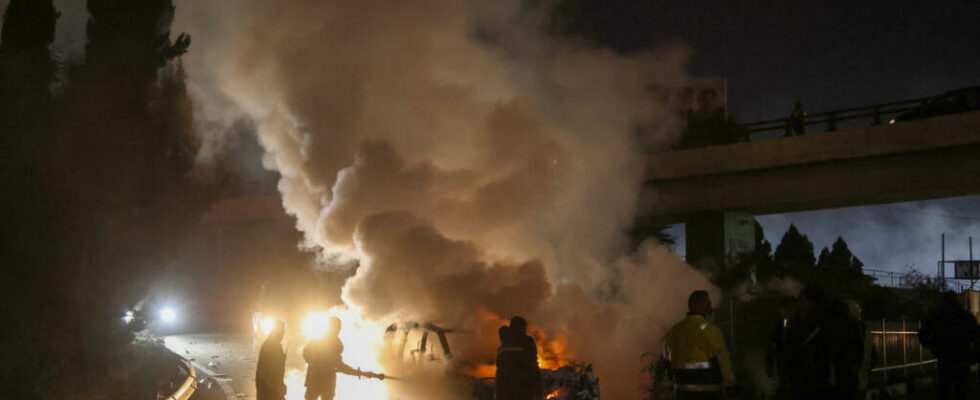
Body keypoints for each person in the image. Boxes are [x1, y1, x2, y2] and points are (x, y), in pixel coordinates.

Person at [664, 290, 735, 400]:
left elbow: (667, 363)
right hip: (709, 392)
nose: (710, 308)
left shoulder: (674, 331)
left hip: (682, 392)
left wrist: (670, 386)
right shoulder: (710, 331)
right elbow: (722, 361)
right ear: (699, 306)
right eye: (708, 304)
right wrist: (730, 385)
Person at [303, 317, 383, 400]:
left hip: (321, 382)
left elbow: (340, 366)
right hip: (320, 381)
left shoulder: (329, 342)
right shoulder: (328, 342)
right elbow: (306, 354)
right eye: (338, 326)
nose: (340, 329)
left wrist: (361, 373)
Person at [919, 291, 980, 400]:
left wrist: (934, 349)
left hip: (944, 358)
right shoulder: (965, 316)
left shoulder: (937, 316)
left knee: (944, 390)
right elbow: (977, 337)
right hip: (962, 358)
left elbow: (923, 335)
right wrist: (974, 356)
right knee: (961, 391)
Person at [495, 316, 542, 400]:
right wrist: (538, 385)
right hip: (522, 386)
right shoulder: (527, 340)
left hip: (504, 388)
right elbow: (532, 362)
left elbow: (499, 366)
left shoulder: (503, 344)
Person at [766, 296, 799, 399]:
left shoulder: (799, 325)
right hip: (787, 365)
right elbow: (775, 343)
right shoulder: (783, 323)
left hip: (795, 366)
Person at [256, 320, 287, 400]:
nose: (284, 333)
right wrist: (280, 387)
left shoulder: (273, 343)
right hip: (269, 390)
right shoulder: (272, 345)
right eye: (283, 331)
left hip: (268, 388)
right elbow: (271, 372)